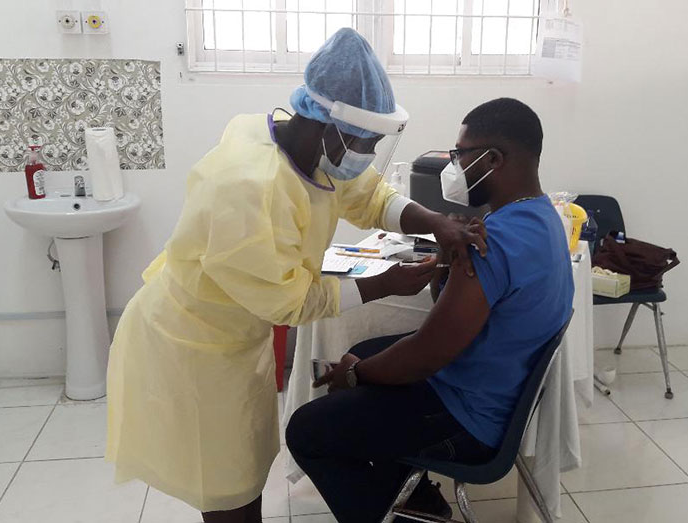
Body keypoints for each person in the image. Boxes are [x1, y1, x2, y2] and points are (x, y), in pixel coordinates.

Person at [105, 28, 486, 523]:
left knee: (244, 470)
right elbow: (292, 303)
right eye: (364, 142)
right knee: (225, 487)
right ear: (328, 126)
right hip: (192, 349)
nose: (367, 155)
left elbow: (369, 196)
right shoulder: (248, 187)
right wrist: (384, 284)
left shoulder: (307, 146)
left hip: (238, 341)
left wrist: (433, 221)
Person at [286, 98, 575, 523]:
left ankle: (396, 512)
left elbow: (429, 352)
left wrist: (353, 375)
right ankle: (417, 497)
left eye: (460, 156)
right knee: (369, 350)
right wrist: (444, 257)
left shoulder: (494, 242)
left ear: (494, 159)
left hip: (468, 416)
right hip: (497, 388)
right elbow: (451, 313)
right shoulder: (542, 219)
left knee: (307, 430)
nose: (453, 167)